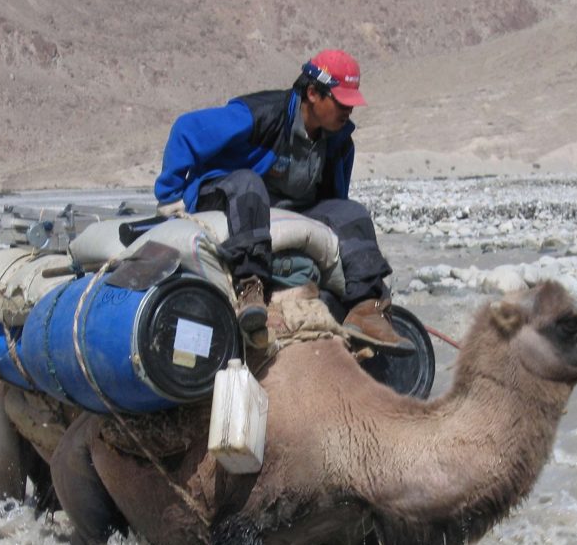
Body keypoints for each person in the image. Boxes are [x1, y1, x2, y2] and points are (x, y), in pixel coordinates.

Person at [154, 49, 413, 354]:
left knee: (350, 212)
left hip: (290, 208)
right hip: (231, 196)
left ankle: (367, 308)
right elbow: (186, 129)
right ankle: (251, 286)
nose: (348, 112)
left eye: (351, 104)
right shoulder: (260, 115)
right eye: (341, 102)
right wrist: (170, 195)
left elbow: (334, 198)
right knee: (248, 183)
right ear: (314, 93)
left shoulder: (339, 142)